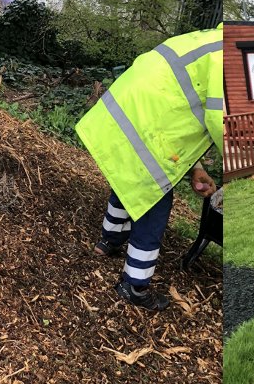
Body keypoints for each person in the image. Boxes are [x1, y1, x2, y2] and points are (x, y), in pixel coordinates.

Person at [75, 25, 223, 310]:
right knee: (156, 199)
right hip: (149, 126)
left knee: (128, 181)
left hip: (126, 115)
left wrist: (196, 168)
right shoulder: (227, 59)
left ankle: (108, 241)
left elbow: (181, 103)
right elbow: (220, 122)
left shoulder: (205, 40)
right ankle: (135, 285)